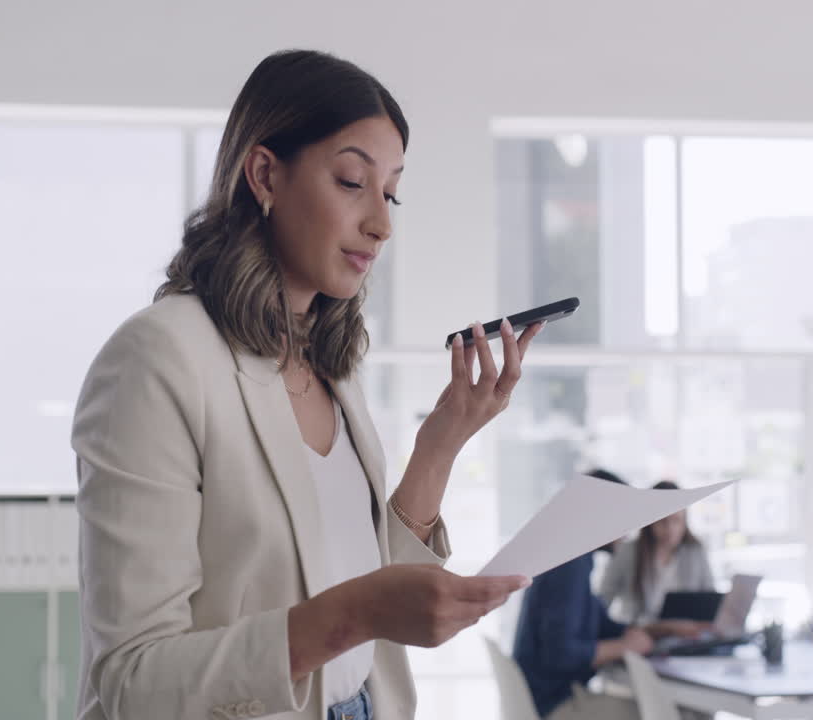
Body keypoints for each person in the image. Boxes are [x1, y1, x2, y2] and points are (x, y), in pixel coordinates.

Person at [71, 50, 544, 720]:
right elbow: (132, 682)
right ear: (265, 174)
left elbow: (361, 572)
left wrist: (441, 442)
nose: (382, 223)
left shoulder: (329, 361)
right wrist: (353, 615)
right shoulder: (158, 360)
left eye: (392, 192)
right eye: (353, 181)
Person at [513, 470, 706, 720]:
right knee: (681, 713)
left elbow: (601, 624)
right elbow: (561, 654)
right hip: (557, 703)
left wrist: (661, 629)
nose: (628, 530)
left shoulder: (571, 555)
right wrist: (625, 646)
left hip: (549, 696)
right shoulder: (570, 564)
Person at [599, 481, 716, 625]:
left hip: (685, 635)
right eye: (663, 521)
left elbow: (709, 599)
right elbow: (603, 599)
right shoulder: (627, 552)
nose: (670, 529)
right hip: (639, 633)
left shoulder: (695, 552)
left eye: (676, 521)